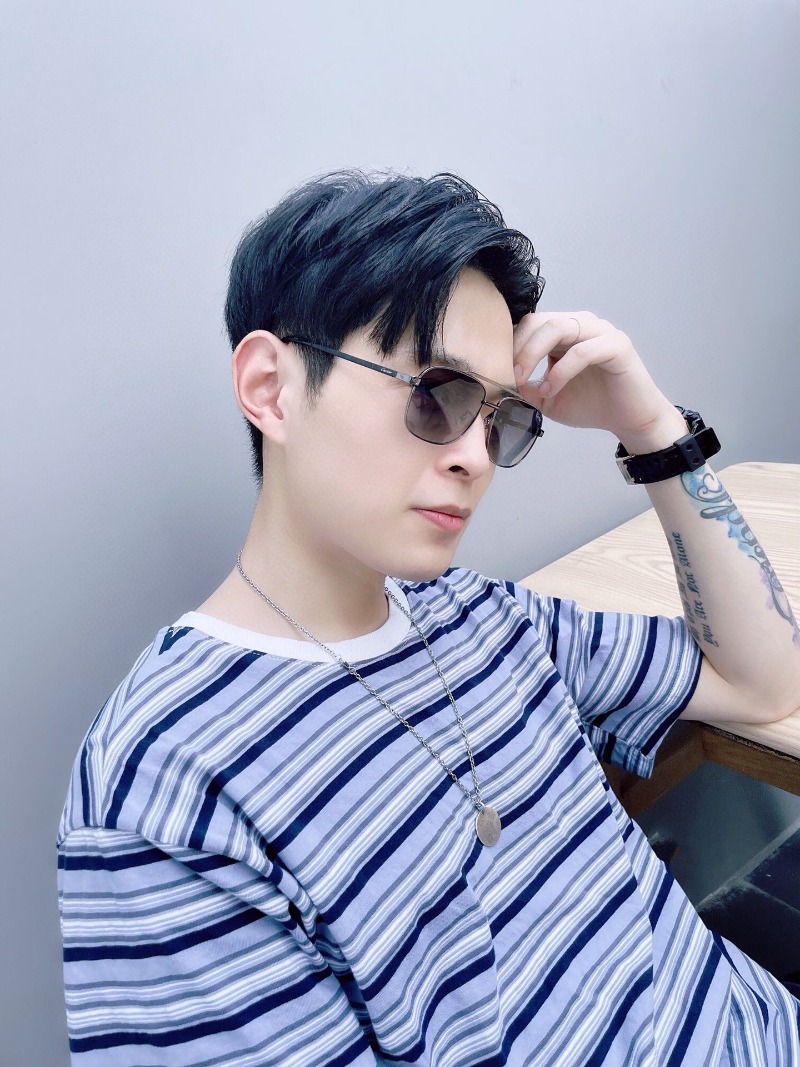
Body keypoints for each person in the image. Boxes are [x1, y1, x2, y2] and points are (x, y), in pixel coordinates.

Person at [58, 171, 800, 1065]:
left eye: (498, 418)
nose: (474, 456)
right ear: (271, 387)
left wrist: (650, 427)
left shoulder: (484, 616)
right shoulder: (168, 786)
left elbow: (766, 680)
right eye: (435, 393)